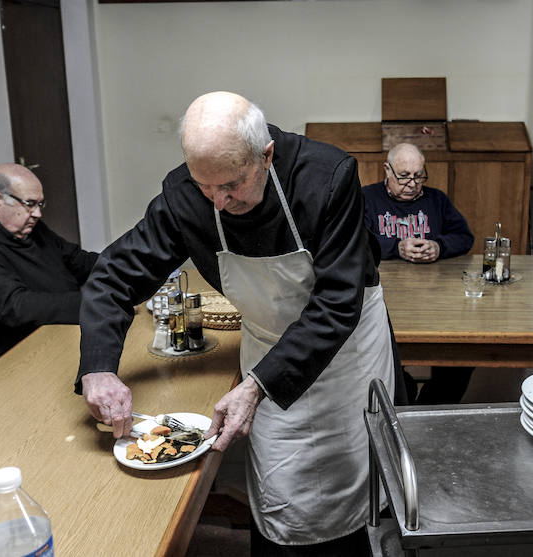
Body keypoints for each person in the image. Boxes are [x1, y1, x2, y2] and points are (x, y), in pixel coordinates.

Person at [76, 91, 401, 555]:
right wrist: (99, 367)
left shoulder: (327, 177)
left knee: (353, 485)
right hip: (267, 347)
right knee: (281, 490)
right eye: (206, 187)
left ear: (266, 155)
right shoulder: (187, 195)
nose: (220, 201)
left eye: (232, 185)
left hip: (344, 352)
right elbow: (112, 276)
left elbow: (337, 303)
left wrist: (258, 385)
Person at [0, 163, 99, 382]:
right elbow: (17, 306)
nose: (38, 214)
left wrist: (128, 267)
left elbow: (77, 260)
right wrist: (99, 303)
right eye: (30, 204)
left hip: (48, 340)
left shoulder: (24, 227)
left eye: (40, 204)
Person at [363, 143, 475, 404]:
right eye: (404, 176)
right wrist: (396, 247)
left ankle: (430, 408)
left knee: (461, 357)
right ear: (387, 170)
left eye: (418, 175)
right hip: (384, 300)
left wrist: (439, 246)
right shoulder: (367, 198)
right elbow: (357, 240)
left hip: (434, 301)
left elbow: (464, 237)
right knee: (383, 357)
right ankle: (402, 398)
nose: (412, 183)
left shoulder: (436, 199)